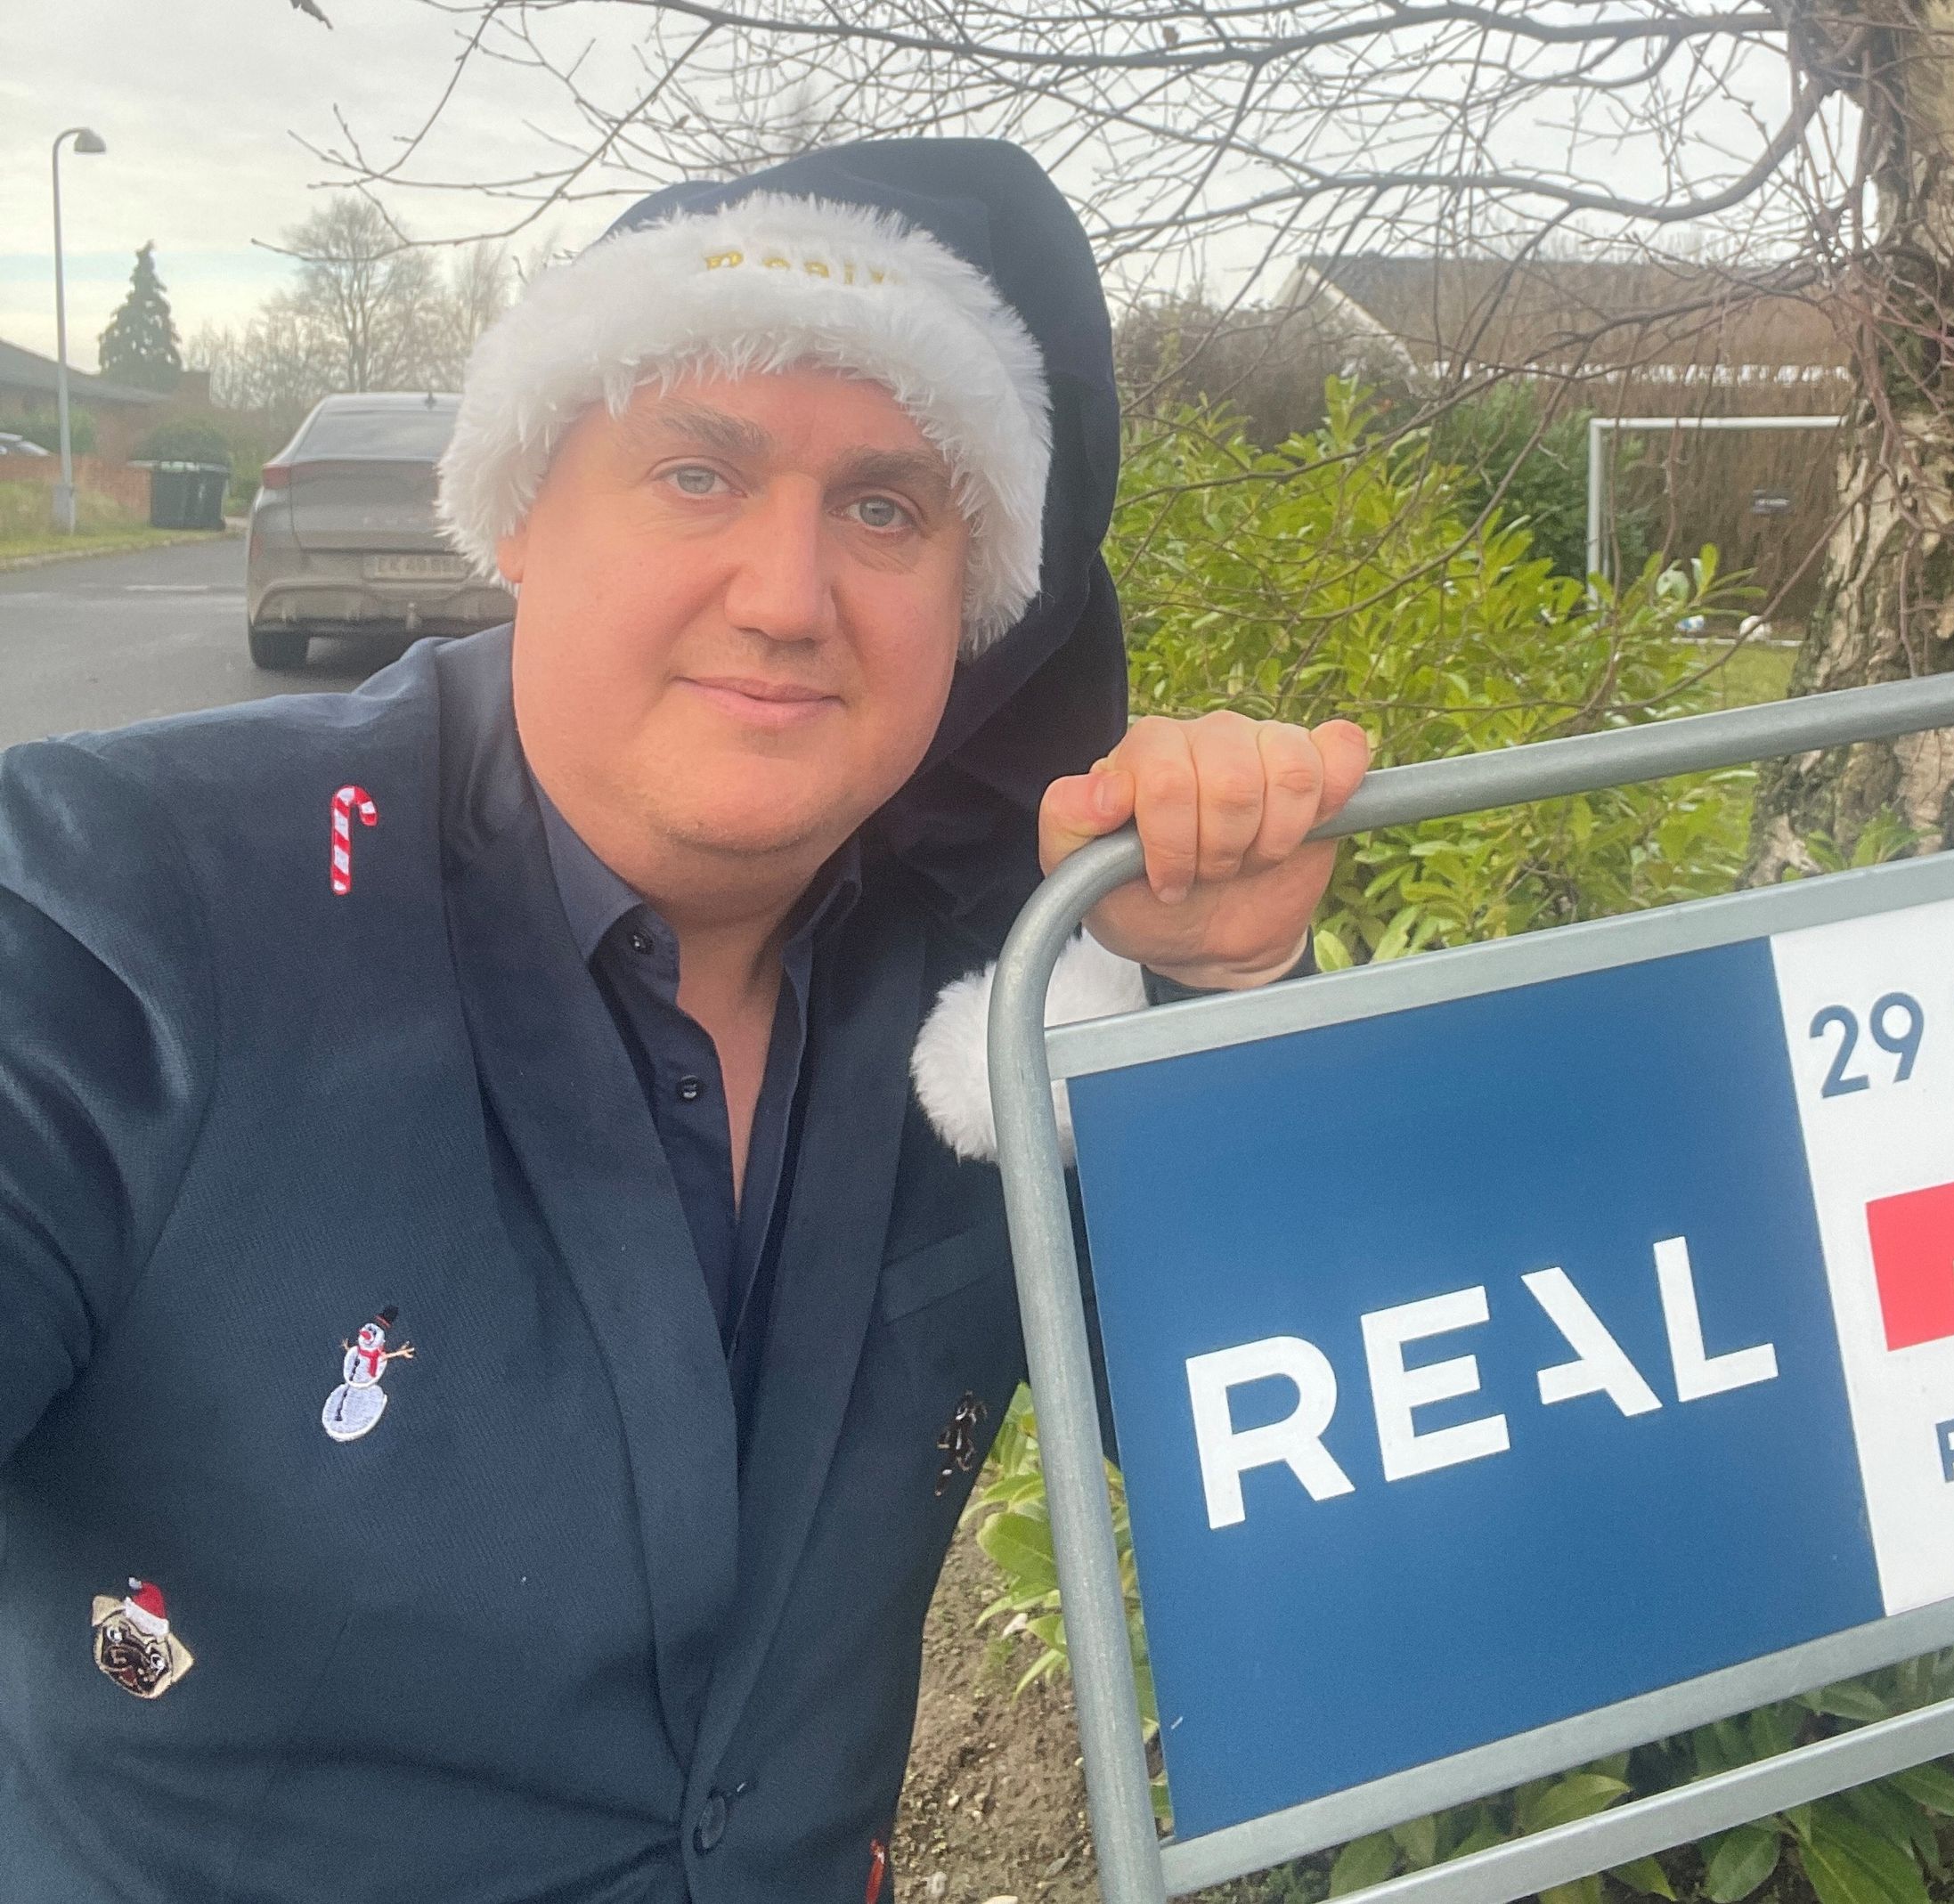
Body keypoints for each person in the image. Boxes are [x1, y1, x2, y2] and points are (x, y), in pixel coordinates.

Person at [0, 140, 1366, 1901]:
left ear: (974, 604)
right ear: (517, 511)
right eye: (698, 472)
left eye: (885, 509)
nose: (787, 597)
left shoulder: (1011, 978)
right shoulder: (121, 904)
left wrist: (1212, 991)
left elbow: (1308, 1422)